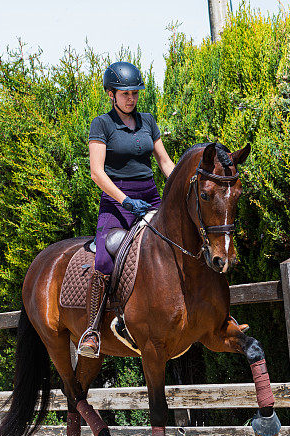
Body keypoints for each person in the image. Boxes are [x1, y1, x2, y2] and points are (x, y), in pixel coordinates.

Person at [78, 61, 176, 358]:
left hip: (150, 195)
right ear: (111, 94)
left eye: (135, 92)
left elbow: (164, 162)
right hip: (117, 200)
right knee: (105, 257)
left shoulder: (148, 120)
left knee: (179, 245)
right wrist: (125, 201)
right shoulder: (102, 124)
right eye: (125, 93)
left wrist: (181, 185)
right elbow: (97, 173)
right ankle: (93, 330)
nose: (131, 98)